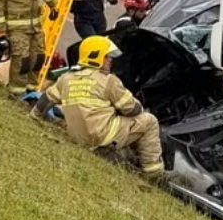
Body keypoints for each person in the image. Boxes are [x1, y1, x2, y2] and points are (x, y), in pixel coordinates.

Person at [30, 35, 165, 179]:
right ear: (95, 56)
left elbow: (46, 99)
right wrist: (139, 107)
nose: (110, 60)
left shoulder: (67, 78)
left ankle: (119, 154)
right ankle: (153, 173)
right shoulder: (109, 80)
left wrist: (33, 117)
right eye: (107, 56)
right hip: (103, 136)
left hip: (77, 137)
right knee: (149, 121)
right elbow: (132, 109)